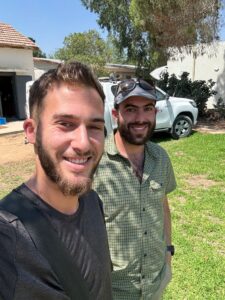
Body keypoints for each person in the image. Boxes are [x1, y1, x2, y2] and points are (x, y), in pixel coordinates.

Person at [0, 62, 112, 300]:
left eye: (94, 126)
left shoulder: (92, 201)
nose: (83, 142)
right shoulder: (8, 236)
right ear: (31, 131)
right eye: (65, 124)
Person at [93, 78, 176, 300]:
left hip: (155, 283)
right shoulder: (94, 162)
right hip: (112, 292)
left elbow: (163, 207)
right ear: (114, 114)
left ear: (155, 113)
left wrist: (168, 253)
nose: (140, 118)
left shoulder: (161, 158)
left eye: (147, 109)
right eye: (130, 109)